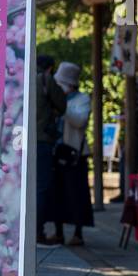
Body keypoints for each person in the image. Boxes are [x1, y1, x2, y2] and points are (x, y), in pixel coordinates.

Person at [41, 61, 94, 246]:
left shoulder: (82, 99)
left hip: (74, 154)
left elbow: (80, 121)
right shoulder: (53, 99)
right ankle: (58, 232)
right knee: (57, 194)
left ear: (70, 85)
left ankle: (78, 233)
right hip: (56, 151)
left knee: (76, 193)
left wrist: (63, 106)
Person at [35, 54, 68, 244]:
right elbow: (62, 105)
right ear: (49, 68)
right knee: (42, 187)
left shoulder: (19, 77)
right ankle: (38, 231)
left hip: (17, 139)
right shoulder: (46, 80)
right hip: (42, 140)